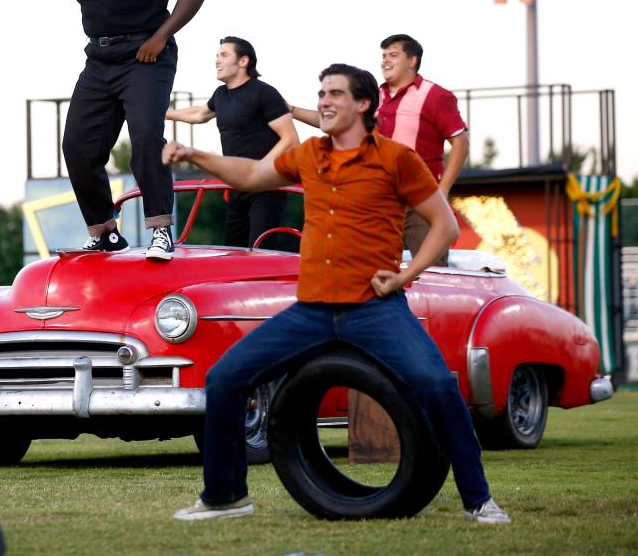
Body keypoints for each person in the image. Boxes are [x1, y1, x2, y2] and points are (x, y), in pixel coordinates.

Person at [163, 64, 509, 524]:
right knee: (225, 378)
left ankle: (479, 500)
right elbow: (251, 174)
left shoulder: (396, 159)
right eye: (321, 93)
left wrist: (406, 277)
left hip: (374, 308)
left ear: (363, 104)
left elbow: (443, 226)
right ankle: (226, 496)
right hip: (310, 310)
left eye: (335, 94)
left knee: (437, 385)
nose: (323, 101)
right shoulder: (309, 155)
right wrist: (194, 154)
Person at [0, 0, 209, 261]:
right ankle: (104, 232)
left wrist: (160, 36)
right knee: (77, 146)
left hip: (145, 56)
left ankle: (161, 228)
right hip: (100, 61)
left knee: (147, 136)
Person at [289, 35, 469, 266]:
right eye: (383, 56)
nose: (385, 61)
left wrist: (443, 190)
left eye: (393, 55)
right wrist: (291, 110)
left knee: (431, 270)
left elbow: (461, 143)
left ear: (412, 60)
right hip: (376, 199)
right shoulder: (373, 97)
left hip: (420, 200)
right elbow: (334, 120)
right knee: (366, 268)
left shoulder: (435, 95)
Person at [165, 37, 298, 247]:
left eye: (224, 55)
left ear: (243, 61)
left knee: (260, 253)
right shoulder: (220, 95)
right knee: (233, 252)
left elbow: (291, 140)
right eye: (217, 56)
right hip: (236, 185)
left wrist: (260, 170)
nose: (217, 60)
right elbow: (199, 114)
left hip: (266, 188)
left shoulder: (264, 93)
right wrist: (163, 114)